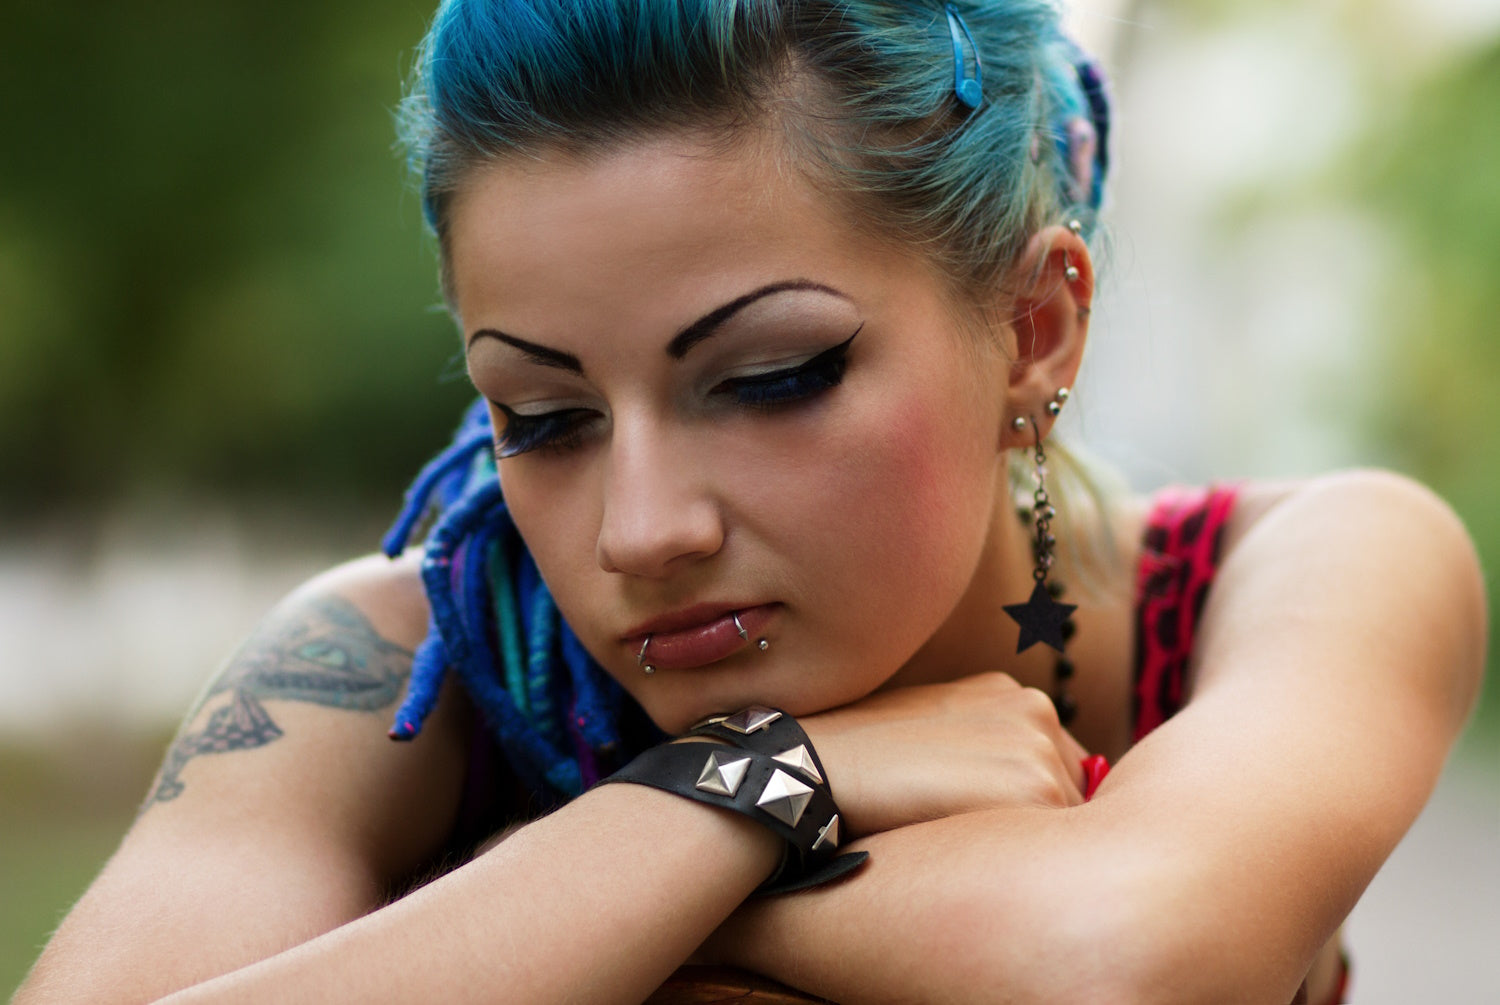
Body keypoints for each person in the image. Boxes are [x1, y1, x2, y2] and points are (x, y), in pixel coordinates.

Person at [17, 2, 1485, 1003]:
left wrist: (535, 920)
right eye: (542, 415)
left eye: (771, 374)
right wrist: (737, 792)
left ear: (1036, 326)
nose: (643, 528)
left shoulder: (1291, 573)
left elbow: (1131, 947)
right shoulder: (404, 665)